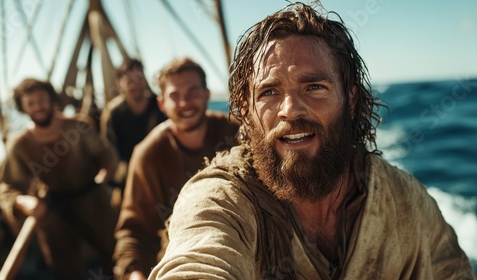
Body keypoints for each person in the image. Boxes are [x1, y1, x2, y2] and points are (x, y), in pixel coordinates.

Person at [148, 3, 475, 279]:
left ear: (350, 100)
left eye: (314, 86)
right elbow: (198, 261)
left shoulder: (402, 198)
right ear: (246, 113)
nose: (290, 110)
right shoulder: (220, 200)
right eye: (269, 92)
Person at [113, 57, 239, 279]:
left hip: (242, 242)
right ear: (162, 103)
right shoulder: (148, 154)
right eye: (175, 96)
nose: (185, 103)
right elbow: (134, 232)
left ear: (206, 95)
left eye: (192, 92)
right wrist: (135, 274)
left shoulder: (235, 133)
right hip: (178, 256)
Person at [0, 78, 119, 279]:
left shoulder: (79, 127)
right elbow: (9, 187)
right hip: (52, 208)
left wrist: (105, 173)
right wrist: (23, 201)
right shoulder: (19, 144)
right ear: (22, 107)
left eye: (42, 99)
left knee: (112, 252)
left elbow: (106, 154)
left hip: (92, 199)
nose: (38, 107)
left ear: (52, 100)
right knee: (64, 266)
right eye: (31, 102)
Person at [100, 58, 167, 190]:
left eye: (139, 79)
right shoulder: (114, 112)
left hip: (160, 170)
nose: (135, 85)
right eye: (130, 81)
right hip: (129, 176)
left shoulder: (159, 106)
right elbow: (109, 148)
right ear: (120, 84)